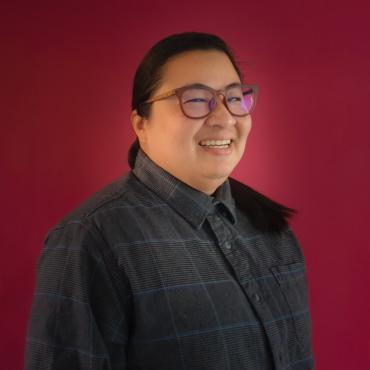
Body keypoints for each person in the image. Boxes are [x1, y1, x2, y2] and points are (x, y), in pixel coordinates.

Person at [25, 32, 314, 370]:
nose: (225, 118)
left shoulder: (271, 232)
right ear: (140, 124)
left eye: (234, 97)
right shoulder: (92, 239)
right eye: (194, 100)